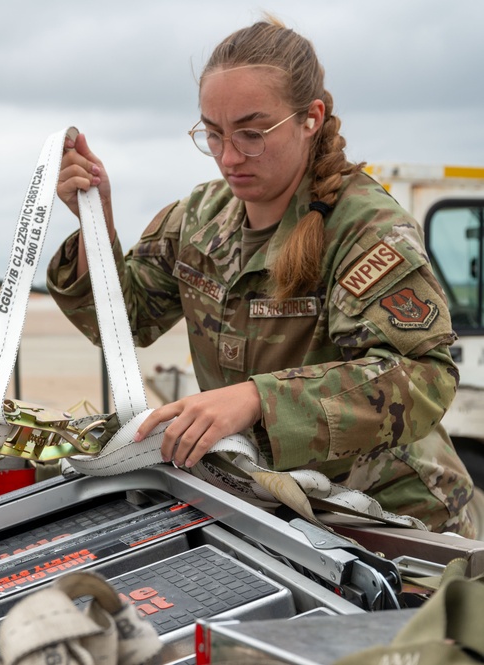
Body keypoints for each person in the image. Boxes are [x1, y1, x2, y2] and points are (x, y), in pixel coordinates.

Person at [47, 17, 475, 535]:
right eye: (213, 134)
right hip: (275, 508)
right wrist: (98, 223)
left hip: (391, 518)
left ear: (310, 118)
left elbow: (425, 378)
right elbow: (124, 321)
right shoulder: (199, 218)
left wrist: (255, 400)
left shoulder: (364, 229)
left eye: (251, 134)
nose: (229, 157)